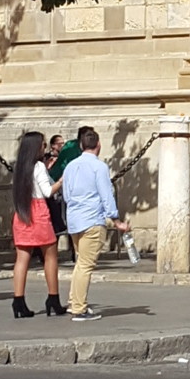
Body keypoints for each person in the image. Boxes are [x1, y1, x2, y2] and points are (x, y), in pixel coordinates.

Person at [60, 125, 130, 319]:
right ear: (98, 145)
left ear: (82, 145)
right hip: (92, 219)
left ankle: (75, 302)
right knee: (86, 265)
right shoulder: (99, 167)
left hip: (75, 219)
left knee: (80, 263)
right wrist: (116, 220)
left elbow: (66, 194)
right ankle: (79, 308)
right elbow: (106, 194)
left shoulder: (71, 166)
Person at [9, 129, 63, 318]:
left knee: (22, 259)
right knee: (50, 256)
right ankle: (53, 298)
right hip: (38, 211)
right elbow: (48, 191)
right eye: (43, 144)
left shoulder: (20, 167)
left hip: (22, 212)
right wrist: (62, 180)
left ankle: (18, 300)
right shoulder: (38, 166)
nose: (44, 147)